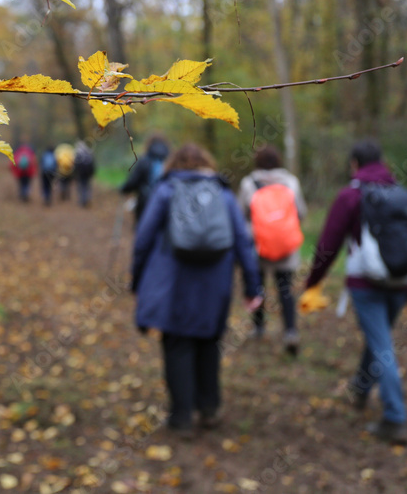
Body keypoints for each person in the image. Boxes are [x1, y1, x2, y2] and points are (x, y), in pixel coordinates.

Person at [301, 139, 407, 445]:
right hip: (401, 281)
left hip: (366, 284)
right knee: (378, 339)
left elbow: (328, 244)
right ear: (382, 162)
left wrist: (313, 281)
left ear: (354, 164)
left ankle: (395, 417)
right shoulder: (403, 195)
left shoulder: (351, 196)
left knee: (382, 345)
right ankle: (360, 388)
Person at [131, 143, 263, 436]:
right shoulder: (223, 193)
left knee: (177, 346)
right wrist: (253, 286)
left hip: (173, 286)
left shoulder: (165, 191)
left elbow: (143, 239)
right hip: (214, 287)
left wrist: (137, 279)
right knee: (209, 344)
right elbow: (243, 241)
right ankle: (210, 408)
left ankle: (182, 418)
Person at [238, 144, 307, 355]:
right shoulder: (291, 182)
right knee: (285, 289)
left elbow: (241, 214)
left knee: (258, 287)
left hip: (258, 247)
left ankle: (259, 328)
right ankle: (290, 331)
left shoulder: (249, 183)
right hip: (286, 247)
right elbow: (301, 212)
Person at [120, 134, 171, 224]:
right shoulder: (170, 161)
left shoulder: (144, 160)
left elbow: (134, 181)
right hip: (166, 203)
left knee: (143, 227)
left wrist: (124, 189)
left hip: (145, 202)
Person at [72, 141, 96, 207]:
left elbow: (75, 165)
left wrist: (74, 173)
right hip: (88, 173)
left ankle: (83, 200)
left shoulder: (78, 154)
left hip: (80, 174)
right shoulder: (89, 152)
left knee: (81, 186)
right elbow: (93, 164)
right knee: (87, 186)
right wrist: (92, 173)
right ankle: (87, 198)